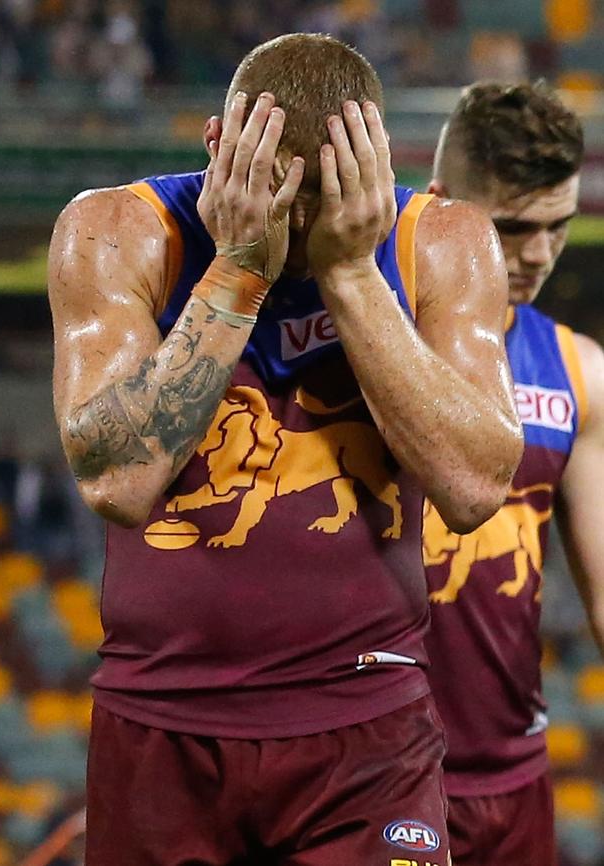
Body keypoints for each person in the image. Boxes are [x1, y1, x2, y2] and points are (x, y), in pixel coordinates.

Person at [48, 34, 523, 866]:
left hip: (368, 727)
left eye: (325, 205)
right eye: (280, 202)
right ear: (216, 148)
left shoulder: (442, 241)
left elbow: (476, 485)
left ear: (374, 168)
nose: (296, 237)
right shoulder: (116, 229)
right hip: (162, 722)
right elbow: (118, 480)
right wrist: (238, 269)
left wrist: (350, 273)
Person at [424, 80, 604, 866]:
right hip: (370, 775)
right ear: (438, 206)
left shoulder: (578, 372)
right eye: (512, 227)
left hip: (510, 777)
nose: (537, 254)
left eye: (558, 227)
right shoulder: (355, 342)